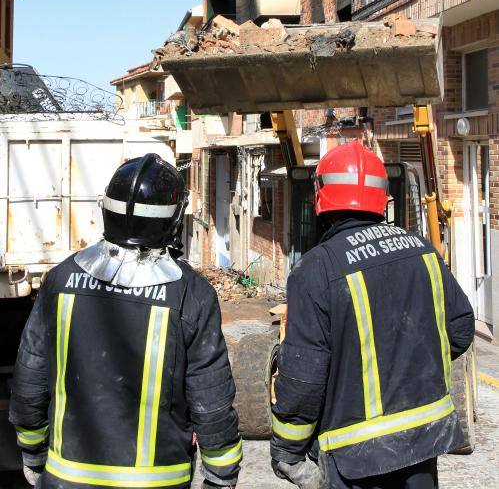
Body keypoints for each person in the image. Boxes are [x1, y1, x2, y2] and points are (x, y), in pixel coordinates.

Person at [10, 153, 241, 489]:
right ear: (172, 221)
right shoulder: (191, 294)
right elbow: (211, 398)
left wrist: (32, 451)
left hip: (65, 479)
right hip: (157, 482)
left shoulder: (60, 281)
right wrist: (222, 474)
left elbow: (31, 376)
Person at [270, 140, 475, 489]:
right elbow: (460, 330)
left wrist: (287, 451)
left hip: (354, 459)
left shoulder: (315, 270)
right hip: (423, 445)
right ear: (382, 199)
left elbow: (304, 379)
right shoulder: (423, 252)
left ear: (321, 200)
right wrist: (408, 365)